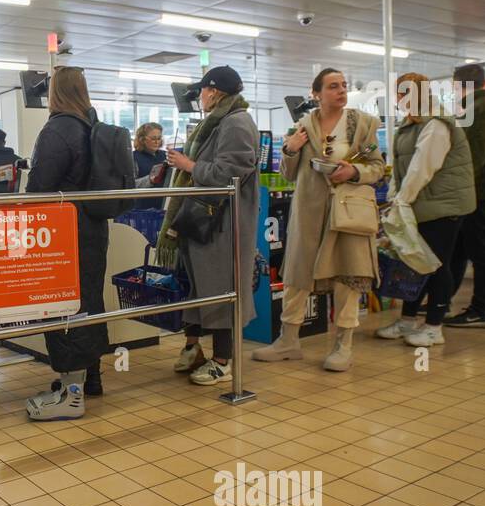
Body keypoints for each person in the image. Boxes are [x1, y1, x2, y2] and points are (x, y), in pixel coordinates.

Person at [252, 68, 385, 372]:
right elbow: (287, 174)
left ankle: (343, 345)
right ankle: (288, 341)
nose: (341, 90)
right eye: (333, 86)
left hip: (348, 212)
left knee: (347, 276)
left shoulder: (362, 125)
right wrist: (289, 149)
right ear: (316, 94)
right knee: (297, 276)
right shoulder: (302, 126)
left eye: (343, 85)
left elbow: (377, 167)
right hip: (309, 211)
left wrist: (353, 171)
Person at [24, 66, 118, 417]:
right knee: (89, 298)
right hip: (94, 228)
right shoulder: (92, 125)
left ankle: (70, 394)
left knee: (64, 303)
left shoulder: (58, 128)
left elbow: (39, 189)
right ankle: (89, 378)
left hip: (64, 231)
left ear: (55, 93)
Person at [155, 67, 258, 384]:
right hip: (202, 219)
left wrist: (189, 165)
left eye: (203, 90)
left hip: (223, 223)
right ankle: (193, 348)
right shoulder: (217, 122)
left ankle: (223, 361)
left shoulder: (236, 123)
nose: (200, 95)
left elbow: (231, 173)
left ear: (215, 92)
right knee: (199, 288)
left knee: (221, 288)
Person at [375, 74, 475, 347]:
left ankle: (434, 326)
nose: (401, 99)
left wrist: (402, 200)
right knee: (414, 265)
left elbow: (423, 167)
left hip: (443, 206)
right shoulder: (411, 124)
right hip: (420, 204)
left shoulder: (437, 123)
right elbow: (399, 167)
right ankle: (407, 321)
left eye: (406, 93)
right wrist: (395, 198)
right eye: (399, 94)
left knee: (434, 265)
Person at [443, 63, 485, 328]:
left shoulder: (478, 110)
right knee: (460, 249)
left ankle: (481, 309)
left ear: (458, 86)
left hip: (479, 194)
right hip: (481, 191)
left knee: (480, 252)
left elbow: (472, 159)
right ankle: (443, 299)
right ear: (484, 82)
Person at [132, 122, 167, 211]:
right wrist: (150, 180)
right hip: (142, 210)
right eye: (153, 139)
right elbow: (130, 185)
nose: (156, 142)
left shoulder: (165, 156)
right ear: (142, 140)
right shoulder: (134, 158)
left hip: (163, 207)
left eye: (159, 138)